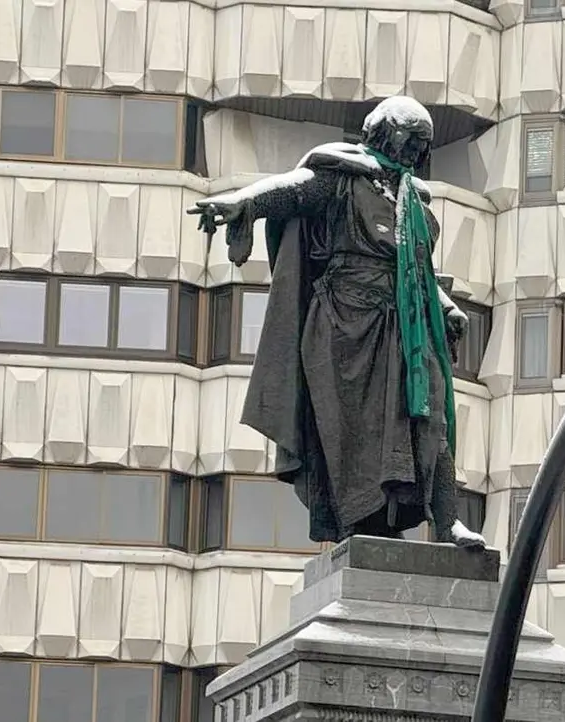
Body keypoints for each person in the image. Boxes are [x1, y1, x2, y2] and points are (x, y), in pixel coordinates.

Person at [187, 96, 486, 548]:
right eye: (409, 140)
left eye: (420, 146)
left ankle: (446, 521)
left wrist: (444, 306)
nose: (411, 153)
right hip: (346, 325)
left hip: (405, 325)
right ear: (385, 132)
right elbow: (293, 190)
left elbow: (415, 268)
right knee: (352, 435)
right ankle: (362, 525)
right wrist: (243, 203)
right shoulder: (343, 176)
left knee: (432, 417)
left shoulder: (411, 198)